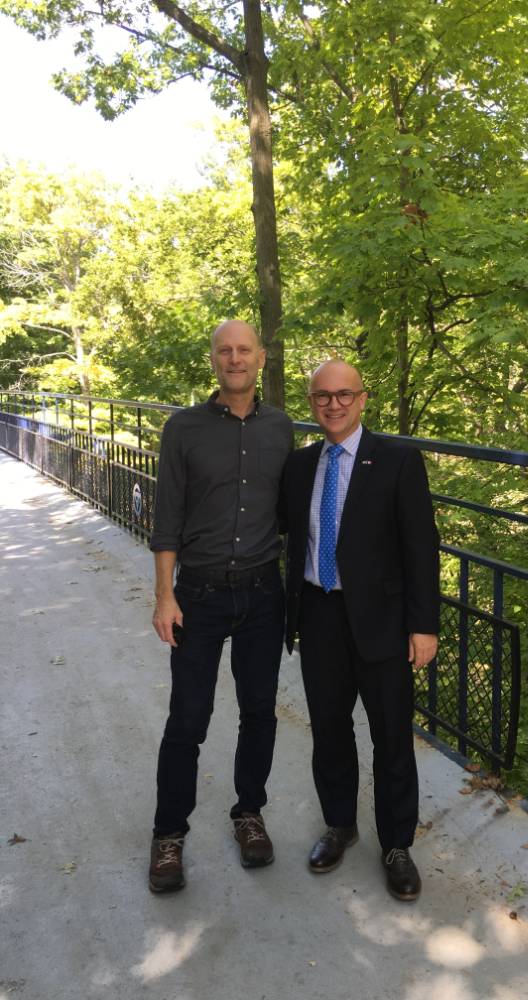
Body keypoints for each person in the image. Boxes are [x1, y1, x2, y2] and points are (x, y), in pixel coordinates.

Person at [280, 360, 440, 901]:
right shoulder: (300, 465)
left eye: (344, 394)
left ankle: (396, 846)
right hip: (318, 612)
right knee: (329, 729)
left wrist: (423, 625)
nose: (334, 404)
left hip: (383, 622)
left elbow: (421, 548)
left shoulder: (397, 461)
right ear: (311, 402)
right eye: (323, 396)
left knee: (390, 735)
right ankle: (340, 824)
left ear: (363, 398)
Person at [148, 319, 293, 893]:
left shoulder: (282, 428)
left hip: (262, 593)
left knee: (260, 712)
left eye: (244, 350)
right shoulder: (183, 428)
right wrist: (164, 595)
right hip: (199, 595)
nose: (235, 359)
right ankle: (168, 834)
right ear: (213, 360)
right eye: (224, 351)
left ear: (261, 358)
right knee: (188, 718)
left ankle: (248, 813)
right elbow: (166, 518)